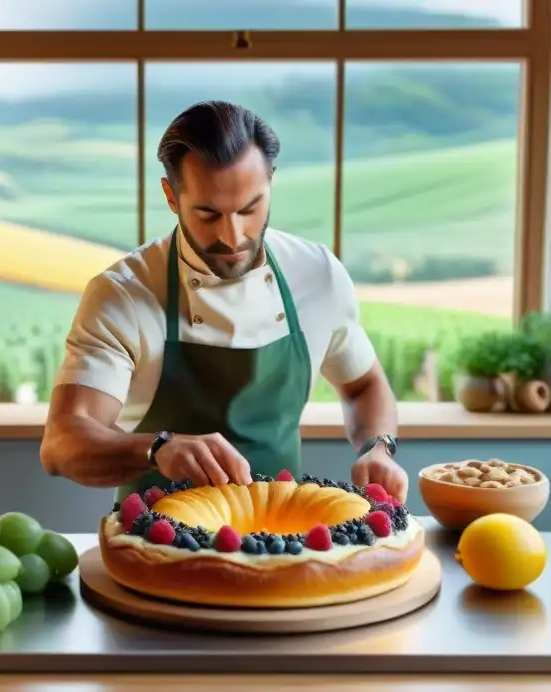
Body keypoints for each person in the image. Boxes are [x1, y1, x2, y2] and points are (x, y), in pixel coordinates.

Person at [40, 100, 408, 504]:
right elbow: (63, 441)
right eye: (208, 214)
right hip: (157, 543)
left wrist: (378, 446)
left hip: (282, 541)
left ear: (271, 181)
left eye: (250, 208)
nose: (232, 237)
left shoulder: (318, 274)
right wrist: (157, 448)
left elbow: (363, 385)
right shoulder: (124, 294)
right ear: (171, 195)